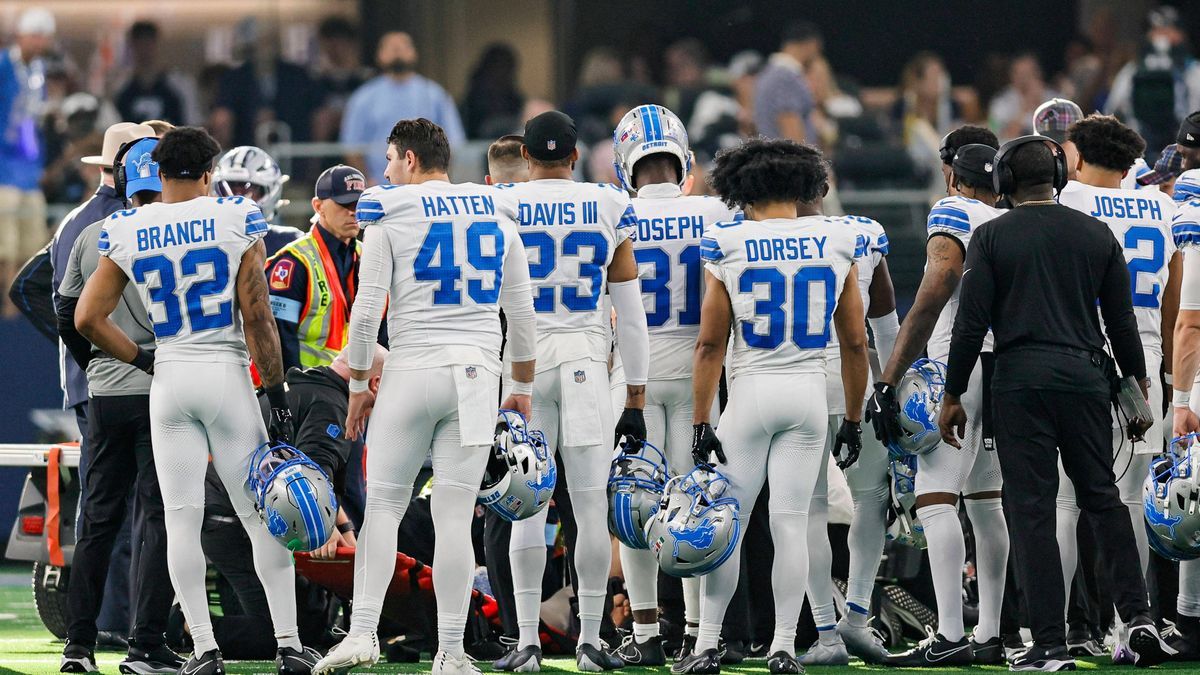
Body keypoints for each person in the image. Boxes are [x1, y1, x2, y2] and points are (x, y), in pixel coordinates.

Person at [73, 126, 318, 674]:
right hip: (225, 373)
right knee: (259, 516)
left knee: (181, 520)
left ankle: (205, 649)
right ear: (210, 172)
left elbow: (87, 318)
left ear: (157, 173)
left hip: (172, 376)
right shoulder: (236, 218)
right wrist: (275, 389)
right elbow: (256, 315)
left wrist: (143, 359)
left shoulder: (128, 227)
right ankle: (288, 644)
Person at [937, 135, 1174, 670]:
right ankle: (1137, 619)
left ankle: (1048, 641)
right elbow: (1123, 325)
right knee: (1103, 498)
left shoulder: (992, 236)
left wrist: (953, 393)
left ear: (1003, 183)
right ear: (1059, 179)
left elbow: (970, 327)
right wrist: (1136, 393)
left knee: (1033, 510)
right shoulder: (1096, 234)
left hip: (1021, 380)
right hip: (1089, 377)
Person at [312, 118, 536, 675]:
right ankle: (451, 652)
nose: (384, 171)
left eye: (390, 159)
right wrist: (522, 389)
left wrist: (359, 386)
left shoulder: (391, 211)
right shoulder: (497, 212)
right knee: (457, 520)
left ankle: (363, 631)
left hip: (412, 369)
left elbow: (366, 314)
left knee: (384, 508)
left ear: (410, 159)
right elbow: (523, 316)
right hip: (477, 376)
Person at [677, 137, 868, 675]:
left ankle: (706, 645)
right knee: (790, 524)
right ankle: (783, 646)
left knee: (728, 524)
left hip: (752, 392)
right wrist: (852, 417)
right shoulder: (833, 239)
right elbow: (855, 343)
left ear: (741, 189)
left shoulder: (729, 243)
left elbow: (710, 344)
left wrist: (699, 420)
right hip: (808, 394)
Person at [490, 110, 648, 673]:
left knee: (527, 509)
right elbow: (630, 315)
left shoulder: (503, 203)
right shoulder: (606, 203)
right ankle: (589, 639)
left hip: (522, 368)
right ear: (575, 156)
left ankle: (526, 641)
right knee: (588, 509)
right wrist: (635, 395)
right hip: (584, 360)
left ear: (526, 157)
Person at [606, 104, 741, 667]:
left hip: (633, 379)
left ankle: (644, 635)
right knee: (701, 505)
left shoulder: (612, 209)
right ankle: (697, 634)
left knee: (633, 509)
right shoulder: (716, 213)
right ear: (681, 160)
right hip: (701, 379)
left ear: (625, 164)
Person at [870, 134, 1009, 667]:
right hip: (1005, 368)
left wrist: (889, 378)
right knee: (987, 500)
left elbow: (931, 297)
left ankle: (951, 631)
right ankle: (991, 630)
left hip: (963, 366)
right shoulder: (1012, 217)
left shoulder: (953, 211)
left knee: (933, 495)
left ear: (953, 177)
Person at [1054, 116, 1180, 661]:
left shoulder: (1070, 200)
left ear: (1077, 155)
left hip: (1082, 353)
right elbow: (1177, 301)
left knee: (1066, 498)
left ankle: (1058, 625)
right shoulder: (1165, 208)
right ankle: (1133, 619)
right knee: (1129, 499)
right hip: (1145, 358)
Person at [56, 136, 179, 674]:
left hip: (107, 396)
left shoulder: (89, 234)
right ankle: (145, 646)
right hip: (165, 392)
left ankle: (78, 646)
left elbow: (67, 314)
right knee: (158, 519)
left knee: (98, 522)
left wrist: (100, 365)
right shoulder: (183, 235)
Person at [201, 347, 384, 658]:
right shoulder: (331, 405)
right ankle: (187, 630)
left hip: (232, 513)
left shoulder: (307, 388)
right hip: (235, 523)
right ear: (376, 383)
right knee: (280, 631)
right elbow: (307, 482)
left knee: (310, 621)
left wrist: (342, 524)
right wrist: (325, 529)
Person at [801, 223, 898, 665]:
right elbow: (885, 325)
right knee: (872, 497)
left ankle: (826, 629)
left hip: (794, 383)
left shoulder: (749, 234)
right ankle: (855, 615)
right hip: (854, 383)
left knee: (805, 510)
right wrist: (889, 386)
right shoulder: (861, 233)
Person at [265, 164, 364, 370]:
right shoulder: (293, 262)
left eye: (359, 204)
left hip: (351, 384)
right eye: (345, 204)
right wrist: (296, 389)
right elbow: (280, 337)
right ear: (318, 206)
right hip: (306, 384)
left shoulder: (368, 256)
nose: (354, 212)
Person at [340, 33, 465, 183]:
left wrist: (439, 180)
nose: (397, 51)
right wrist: (367, 182)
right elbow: (352, 147)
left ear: (414, 53)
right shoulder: (363, 98)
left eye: (403, 46)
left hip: (426, 186)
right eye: (391, 47)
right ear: (380, 55)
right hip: (380, 186)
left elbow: (454, 142)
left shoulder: (435, 95)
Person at [0, 7, 55, 317]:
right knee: (5, 250)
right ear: (20, 36)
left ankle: (21, 315)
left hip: (28, 171)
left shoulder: (39, 71)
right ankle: (7, 315)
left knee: (30, 247)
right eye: (34, 35)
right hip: (3, 170)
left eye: (43, 37)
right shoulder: (4, 67)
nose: (39, 43)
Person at [1105, 6, 1200, 162]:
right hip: (1141, 152)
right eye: (1156, 30)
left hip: (1187, 154)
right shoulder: (1133, 70)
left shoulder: (1194, 70)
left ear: (1181, 34)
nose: (1162, 37)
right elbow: (1111, 111)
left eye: (1168, 30)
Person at [211, 145, 300, 256]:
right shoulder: (206, 239)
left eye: (247, 191)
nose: (237, 200)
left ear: (270, 191)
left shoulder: (290, 242)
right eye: (231, 189)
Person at [753, 22, 821, 143]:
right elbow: (789, 122)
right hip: (787, 159)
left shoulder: (770, 73)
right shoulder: (785, 77)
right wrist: (803, 160)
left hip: (777, 157)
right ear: (810, 45)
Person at [112, 21, 191, 126]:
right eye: (139, 44)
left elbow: (190, 122)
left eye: (148, 44)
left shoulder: (179, 85)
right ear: (132, 47)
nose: (144, 50)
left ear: (157, 45)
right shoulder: (121, 88)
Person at [460, 43, 525, 140]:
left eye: (507, 69)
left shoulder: (517, 102)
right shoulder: (469, 107)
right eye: (498, 67)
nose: (502, 75)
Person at [989, 53, 1059, 141]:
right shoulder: (1001, 102)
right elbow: (1003, 137)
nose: (1024, 78)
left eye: (1029, 73)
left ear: (1038, 74)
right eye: (1020, 74)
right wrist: (1025, 107)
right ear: (1012, 76)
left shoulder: (1055, 98)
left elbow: (1062, 133)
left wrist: (1040, 104)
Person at [1032, 98, 1085, 181]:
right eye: (1044, 145)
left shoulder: (1102, 187)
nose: (1052, 152)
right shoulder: (1030, 187)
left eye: (1059, 142)